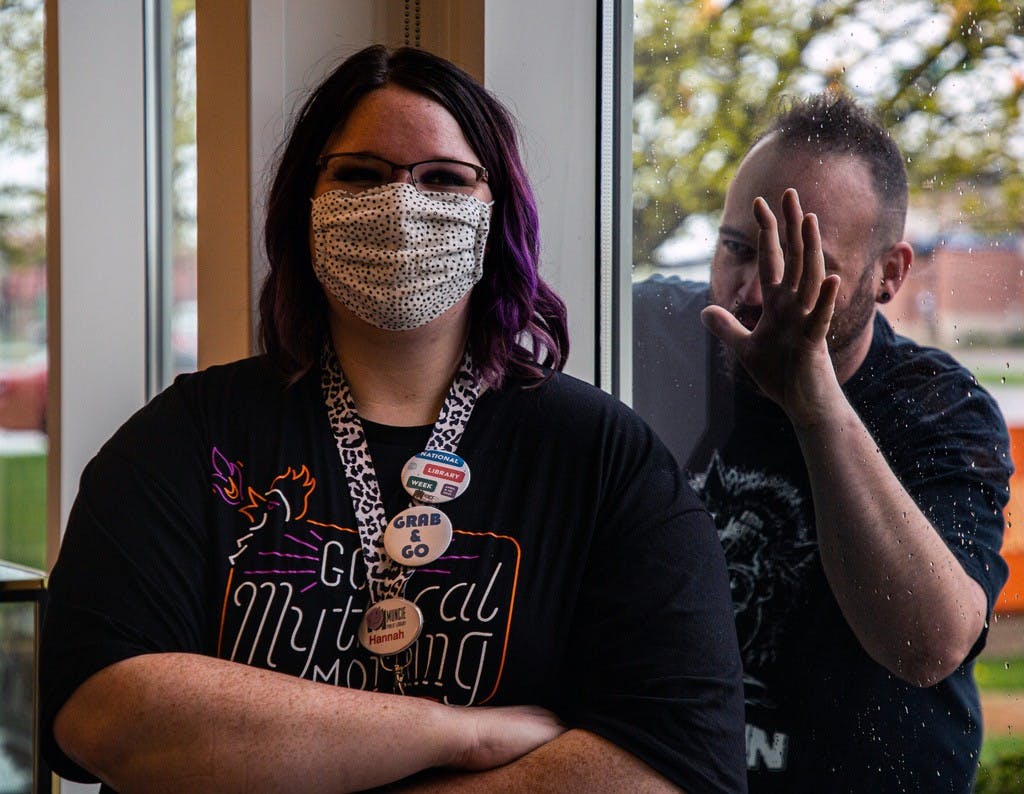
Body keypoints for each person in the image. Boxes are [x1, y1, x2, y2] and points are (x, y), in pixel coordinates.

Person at [41, 45, 745, 793]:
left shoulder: (601, 456)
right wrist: (462, 735)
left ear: (495, 212)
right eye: (360, 174)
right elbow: (101, 714)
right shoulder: (185, 438)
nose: (401, 205)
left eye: (443, 178)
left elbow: (680, 765)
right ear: (306, 203)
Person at [633, 93, 1012, 792]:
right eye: (737, 249)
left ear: (890, 273)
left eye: (801, 265)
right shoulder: (649, 333)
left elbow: (930, 646)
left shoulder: (938, 409)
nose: (754, 291)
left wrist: (812, 401)